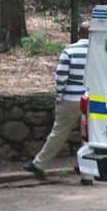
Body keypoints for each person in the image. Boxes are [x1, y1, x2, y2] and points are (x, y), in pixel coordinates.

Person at [24, 21, 90, 181]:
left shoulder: (69, 51)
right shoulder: (98, 52)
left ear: (79, 33)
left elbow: (61, 77)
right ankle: (87, 173)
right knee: (89, 137)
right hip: (91, 100)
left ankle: (39, 164)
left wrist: (59, 97)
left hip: (69, 99)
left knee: (58, 133)